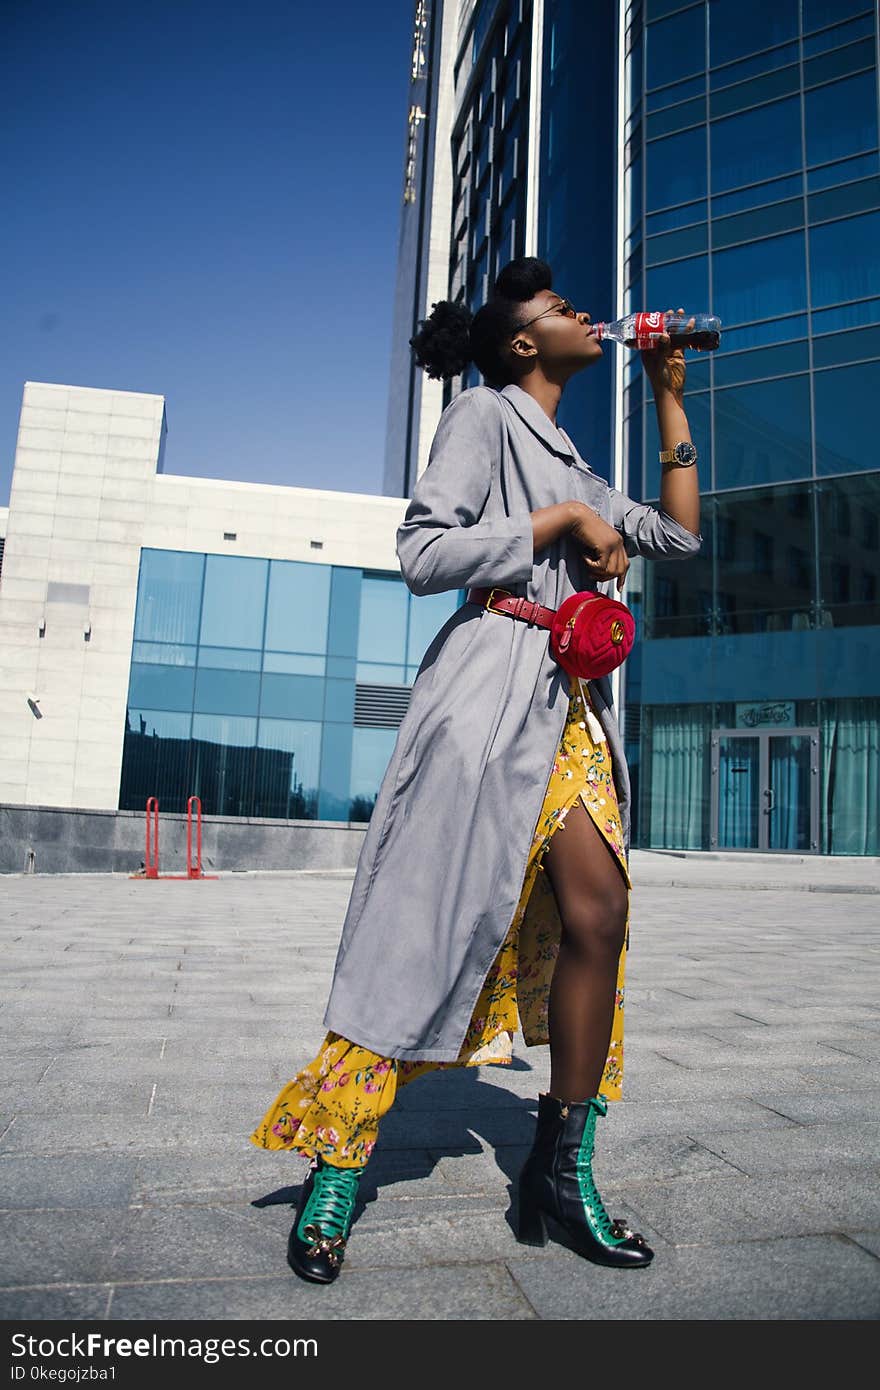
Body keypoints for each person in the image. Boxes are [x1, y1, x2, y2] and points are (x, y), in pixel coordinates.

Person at [250, 257, 703, 1283]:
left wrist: (669, 391)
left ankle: (560, 1171)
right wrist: (550, 527)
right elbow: (421, 554)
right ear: (521, 345)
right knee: (417, 933)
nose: (584, 312)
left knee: (599, 917)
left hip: (566, 709)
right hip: (484, 697)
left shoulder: (569, 454)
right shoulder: (486, 417)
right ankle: (337, 1166)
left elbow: (673, 530)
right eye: (559, 309)